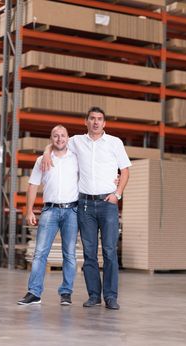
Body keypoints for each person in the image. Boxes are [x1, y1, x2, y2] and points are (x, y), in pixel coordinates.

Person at [42, 107, 131, 310]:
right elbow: (57, 142)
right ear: (86, 121)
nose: (96, 122)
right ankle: (93, 296)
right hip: (84, 205)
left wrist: (117, 194)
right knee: (89, 253)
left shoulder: (114, 143)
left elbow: (125, 171)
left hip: (107, 204)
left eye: (100, 119)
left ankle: (110, 297)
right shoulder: (76, 141)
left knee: (109, 251)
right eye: (92, 119)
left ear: (104, 123)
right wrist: (47, 152)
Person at [17, 125, 79, 306]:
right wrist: (29, 210)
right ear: (51, 139)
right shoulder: (41, 160)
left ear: (68, 138)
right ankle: (34, 293)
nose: (59, 139)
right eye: (55, 136)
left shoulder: (76, 159)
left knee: (69, 254)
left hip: (72, 211)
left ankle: (66, 293)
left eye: (62, 136)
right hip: (49, 210)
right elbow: (33, 185)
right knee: (40, 253)